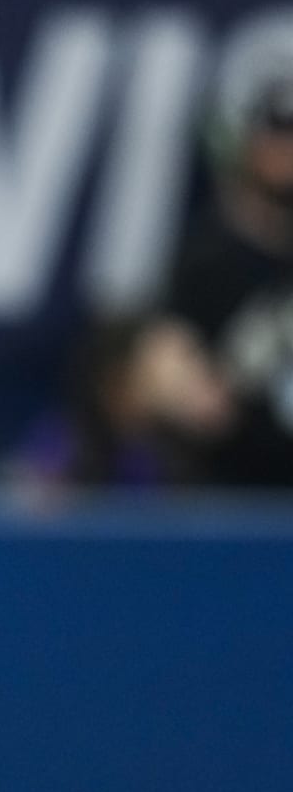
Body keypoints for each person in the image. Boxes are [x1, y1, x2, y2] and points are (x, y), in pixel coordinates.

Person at [126, 72, 293, 488]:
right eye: (280, 137)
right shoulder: (210, 258)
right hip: (235, 490)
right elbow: (160, 362)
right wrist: (192, 391)